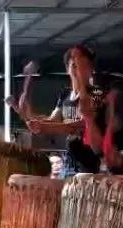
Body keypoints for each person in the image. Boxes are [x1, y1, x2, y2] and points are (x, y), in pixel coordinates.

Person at [27, 45, 107, 176]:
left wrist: (44, 127)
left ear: (91, 68)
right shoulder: (64, 95)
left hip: (88, 168)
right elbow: (53, 120)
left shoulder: (97, 93)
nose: (78, 68)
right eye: (73, 64)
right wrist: (35, 121)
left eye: (82, 64)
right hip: (67, 165)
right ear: (67, 69)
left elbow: (80, 125)